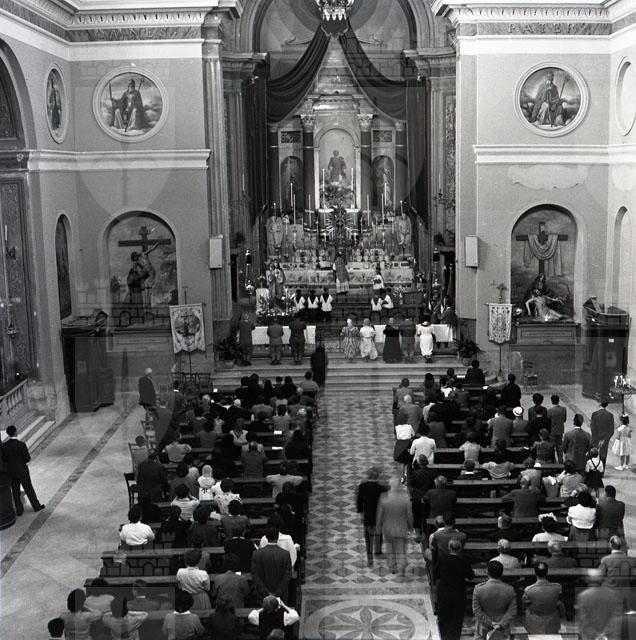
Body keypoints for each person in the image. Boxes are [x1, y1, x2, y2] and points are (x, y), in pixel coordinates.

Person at [1, 424, 45, 515]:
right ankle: (36, 506)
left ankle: (19, 510)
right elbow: (27, 458)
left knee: (15, 491)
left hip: (11, 472)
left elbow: (4, 459)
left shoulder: (4, 446)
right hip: (22, 471)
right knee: (29, 489)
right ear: (15, 432)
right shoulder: (21, 445)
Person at [436, 538, 474, 640]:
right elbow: (471, 576)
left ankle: (444, 636)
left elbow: (437, 574)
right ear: (460, 548)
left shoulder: (442, 559)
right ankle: (455, 637)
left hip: (444, 591)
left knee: (443, 615)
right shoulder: (464, 561)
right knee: (457, 617)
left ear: (449, 548)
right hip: (459, 592)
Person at [375, 476, 413, 575]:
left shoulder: (384, 497)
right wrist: (411, 527)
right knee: (401, 548)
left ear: (390, 485)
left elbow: (380, 514)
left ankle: (392, 567)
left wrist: (378, 526)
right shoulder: (405, 498)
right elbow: (409, 514)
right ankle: (402, 565)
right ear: (399, 486)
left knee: (390, 548)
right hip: (401, 528)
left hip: (388, 528)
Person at [471, 560, 517, 640]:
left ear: (487, 573)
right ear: (502, 573)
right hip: (502, 628)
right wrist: (500, 624)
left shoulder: (478, 589)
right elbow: (512, 612)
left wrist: (491, 623)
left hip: (483, 628)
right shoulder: (509, 589)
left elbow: (477, 611)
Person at [250, 525, 293, 600]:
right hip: (281, 595)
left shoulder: (256, 554)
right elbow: (287, 576)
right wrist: (278, 592)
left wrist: (265, 592)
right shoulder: (285, 554)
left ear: (266, 537)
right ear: (278, 537)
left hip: (262, 595)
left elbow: (255, 575)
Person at [356, 466, 388, 566]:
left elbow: (359, 501)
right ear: (377, 476)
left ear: (368, 476)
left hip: (368, 515)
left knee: (368, 537)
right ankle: (378, 551)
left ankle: (369, 558)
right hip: (379, 516)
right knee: (379, 534)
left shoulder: (362, 486)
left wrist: (361, 513)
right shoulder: (381, 488)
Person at [575, 569, 618, 640]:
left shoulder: (583, 596)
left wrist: (595, 635)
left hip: (589, 637)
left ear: (588, 580)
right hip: (608, 636)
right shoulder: (612, 594)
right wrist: (604, 634)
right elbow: (614, 617)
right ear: (603, 580)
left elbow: (583, 620)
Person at [521, 562, 564, 635]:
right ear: (547, 572)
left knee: (527, 609)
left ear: (535, 573)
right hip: (552, 622)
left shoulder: (529, 590)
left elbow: (524, 605)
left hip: (534, 623)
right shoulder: (557, 588)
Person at [598, 535, 636, 612]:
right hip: (625, 596)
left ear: (610, 546)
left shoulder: (605, 560)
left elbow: (599, 577)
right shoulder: (632, 561)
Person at [547, 393, 567, 462]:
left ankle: (553, 461)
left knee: (552, 447)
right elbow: (564, 420)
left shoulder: (550, 411)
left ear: (552, 401)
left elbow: (548, 421)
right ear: (558, 401)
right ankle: (560, 460)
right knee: (559, 447)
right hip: (560, 430)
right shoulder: (563, 409)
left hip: (552, 431)